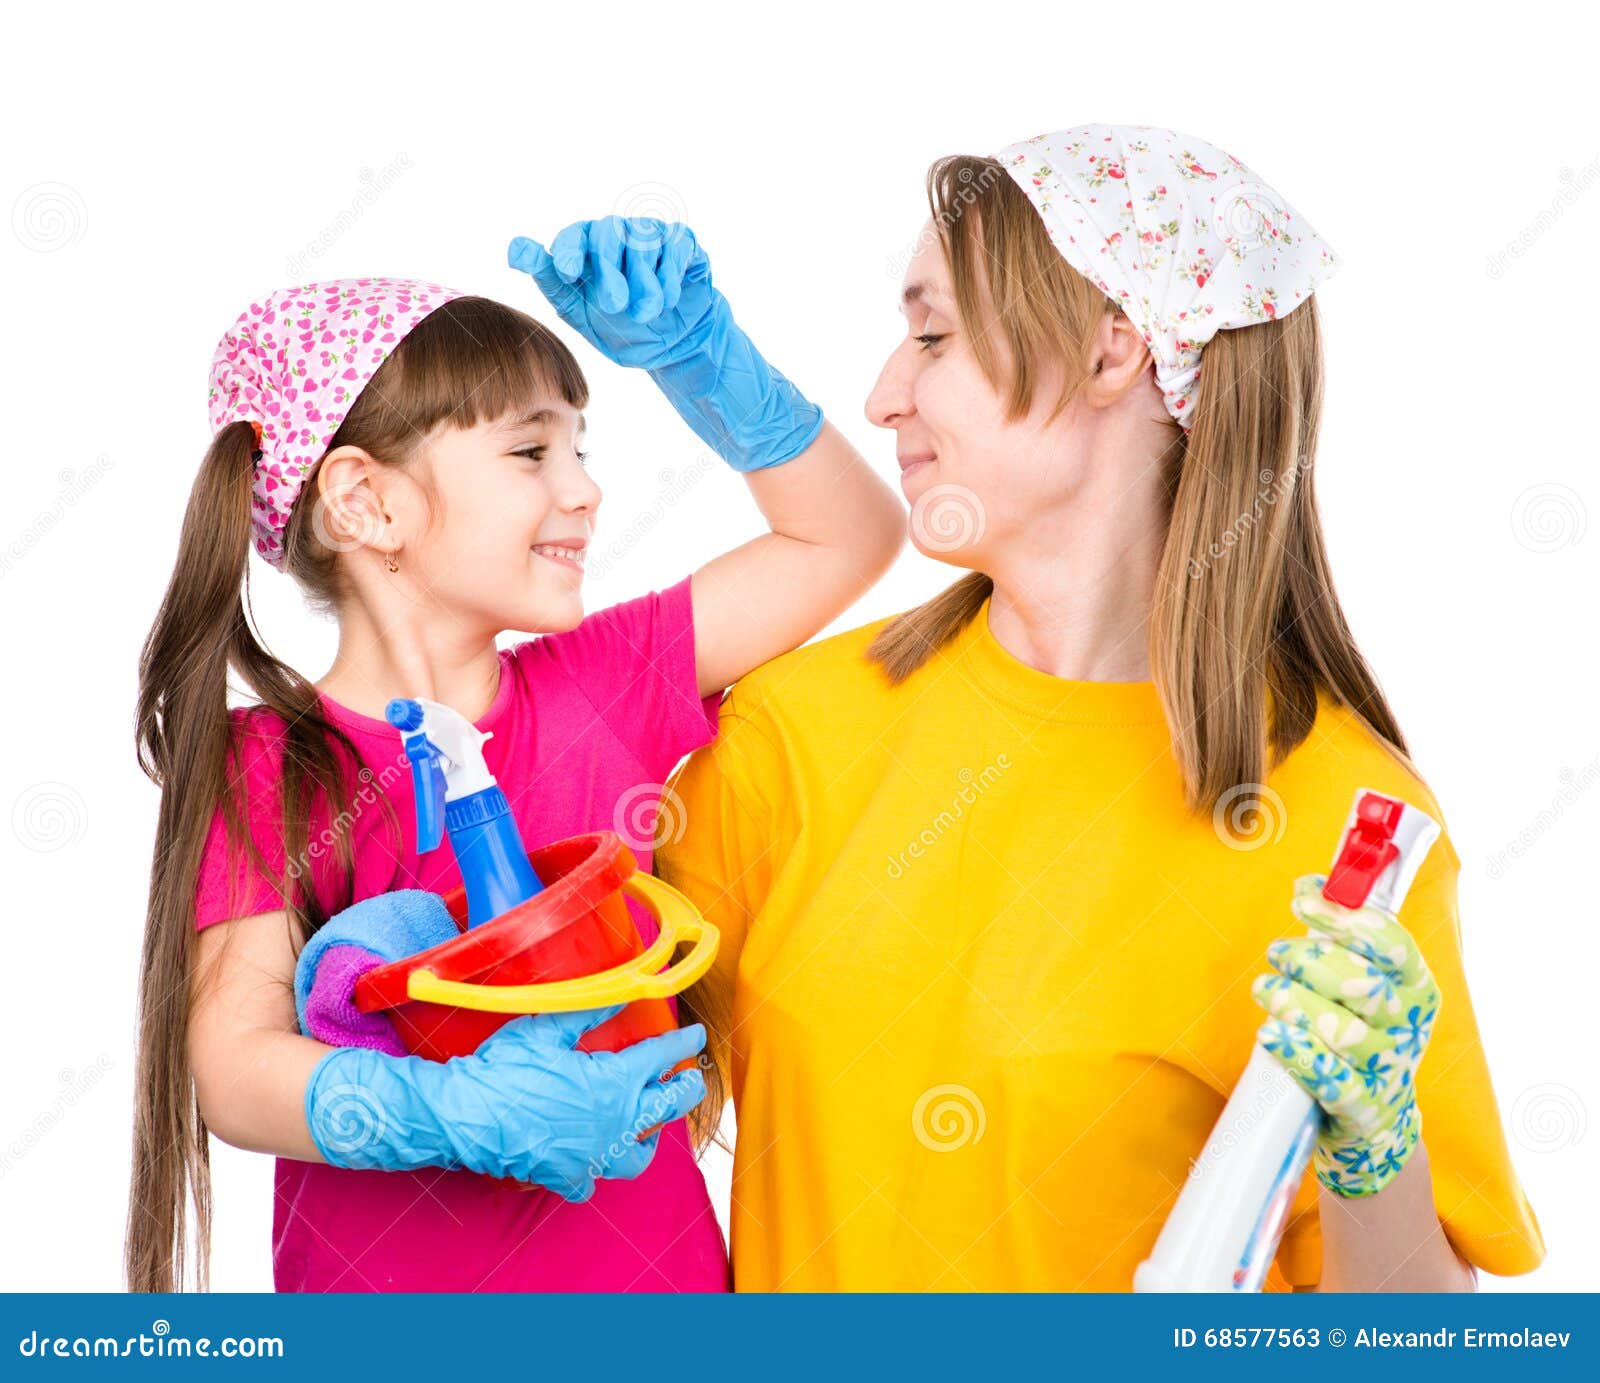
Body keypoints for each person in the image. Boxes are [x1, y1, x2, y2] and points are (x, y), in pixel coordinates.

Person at [655, 125, 1547, 1291]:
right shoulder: (791, 734)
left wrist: (1373, 1152)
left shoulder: (1347, 826)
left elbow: (1410, 1334)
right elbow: (588, 1139)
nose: (883, 394)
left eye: (931, 334)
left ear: (1111, 352)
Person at [127, 229, 904, 1291]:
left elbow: (843, 538)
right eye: (532, 453)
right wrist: (450, 1114)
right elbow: (229, 1066)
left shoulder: (606, 684)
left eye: (582, 452)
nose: (583, 491)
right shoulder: (268, 763)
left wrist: (700, 359)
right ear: (366, 502)